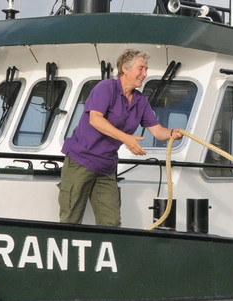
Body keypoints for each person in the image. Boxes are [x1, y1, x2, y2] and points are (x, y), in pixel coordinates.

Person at [59, 49, 183, 226]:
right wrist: (127, 138)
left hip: (106, 167)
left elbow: (157, 131)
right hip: (81, 161)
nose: (145, 74)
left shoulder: (141, 101)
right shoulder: (106, 88)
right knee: (70, 219)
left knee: (112, 223)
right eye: (141, 69)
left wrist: (172, 134)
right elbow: (95, 119)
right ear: (125, 68)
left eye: (146, 69)